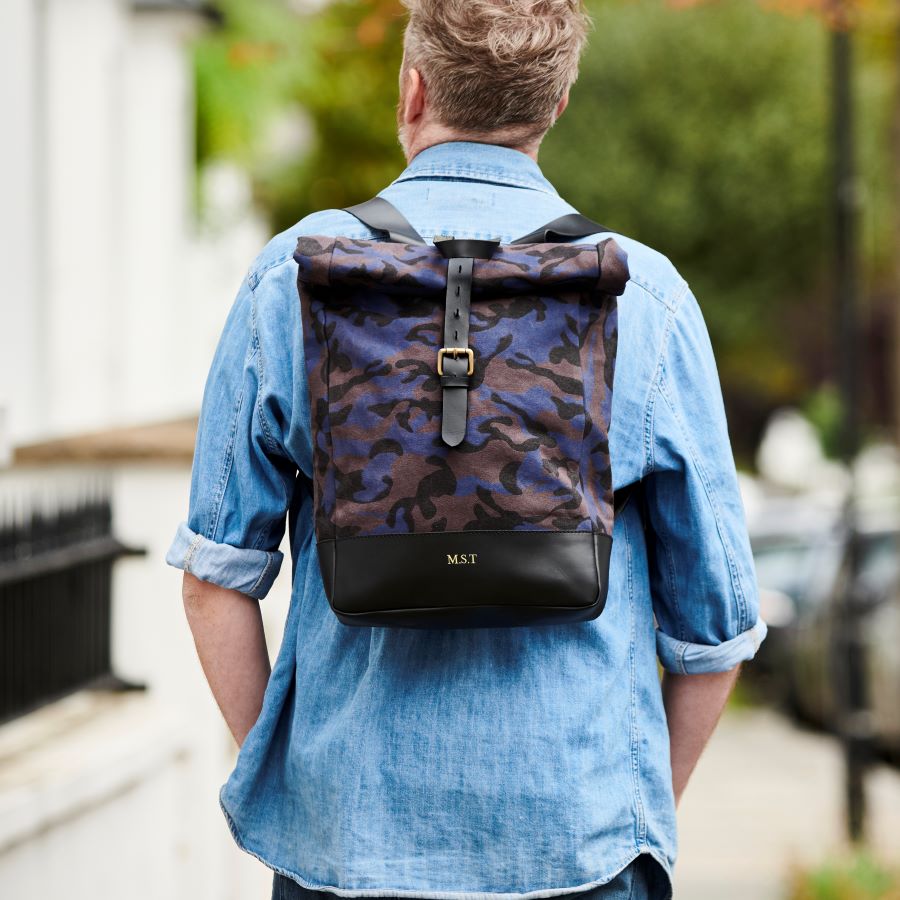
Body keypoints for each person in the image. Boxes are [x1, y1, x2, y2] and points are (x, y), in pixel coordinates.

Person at [165, 2, 767, 898]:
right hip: (581, 848)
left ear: (413, 91)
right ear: (555, 104)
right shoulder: (644, 296)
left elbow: (215, 580)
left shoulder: (295, 277)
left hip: (347, 852)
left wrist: (300, 793)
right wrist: (632, 818)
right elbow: (713, 635)